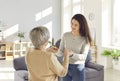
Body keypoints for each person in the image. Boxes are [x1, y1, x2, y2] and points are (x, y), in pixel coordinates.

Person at [56, 14, 92, 81]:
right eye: (72, 23)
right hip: (65, 66)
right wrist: (55, 52)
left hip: (78, 68)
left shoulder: (85, 39)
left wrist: (72, 54)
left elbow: (84, 57)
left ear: (81, 26)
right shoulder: (65, 35)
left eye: (76, 25)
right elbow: (60, 51)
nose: (73, 26)